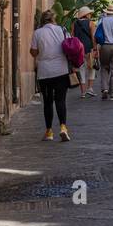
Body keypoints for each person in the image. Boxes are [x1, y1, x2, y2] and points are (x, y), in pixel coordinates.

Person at [31, 10, 72, 142]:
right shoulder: (62, 30)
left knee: (48, 102)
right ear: (54, 19)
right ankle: (63, 127)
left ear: (42, 21)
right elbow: (70, 46)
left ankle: (49, 132)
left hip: (45, 72)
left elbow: (34, 52)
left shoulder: (37, 33)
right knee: (60, 100)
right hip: (61, 70)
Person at [73, 6, 98, 99]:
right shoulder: (91, 23)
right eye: (89, 13)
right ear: (86, 15)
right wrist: (95, 49)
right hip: (88, 48)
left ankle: (83, 92)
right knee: (91, 68)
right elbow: (93, 37)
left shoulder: (74, 23)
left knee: (81, 69)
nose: (90, 15)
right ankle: (90, 89)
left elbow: (72, 37)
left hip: (78, 50)